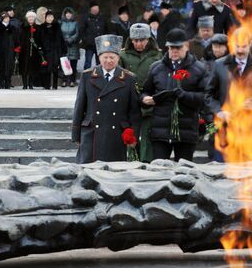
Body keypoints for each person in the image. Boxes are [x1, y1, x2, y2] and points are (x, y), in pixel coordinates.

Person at [141, 28, 208, 162]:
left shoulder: (199, 69)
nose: (174, 51)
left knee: (184, 173)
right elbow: (145, 90)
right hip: (161, 130)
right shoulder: (156, 68)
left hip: (186, 131)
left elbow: (206, 97)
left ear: (186, 46)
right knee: (159, 170)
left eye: (178, 47)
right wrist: (145, 99)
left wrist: (185, 95)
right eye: (171, 47)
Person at [71, 34, 141, 163]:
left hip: (117, 135)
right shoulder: (88, 76)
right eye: (105, 57)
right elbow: (79, 107)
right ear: (99, 57)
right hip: (91, 134)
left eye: (112, 57)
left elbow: (134, 112)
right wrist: (76, 135)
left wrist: (133, 136)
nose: (108, 61)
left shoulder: (129, 78)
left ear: (118, 58)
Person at [205, 29, 252, 162]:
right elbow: (208, 95)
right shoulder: (219, 65)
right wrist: (219, 112)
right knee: (221, 171)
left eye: (244, 46)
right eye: (237, 46)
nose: (240, 50)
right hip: (225, 128)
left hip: (249, 129)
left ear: (249, 44)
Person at [119, 23, 163, 163]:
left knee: (147, 138)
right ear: (131, 40)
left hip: (150, 103)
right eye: (135, 40)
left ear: (148, 39)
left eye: (142, 40)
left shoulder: (158, 55)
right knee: (131, 136)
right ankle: (131, 163)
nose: (138, 43)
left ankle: (147, 163)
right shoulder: (123, 55)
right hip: (130, 103)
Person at [0, 12, 19, 89]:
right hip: (0, 51)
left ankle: (8, 82)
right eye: (5, 18)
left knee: (9, 66)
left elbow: (16, 39)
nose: (7, 19)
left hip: (10, 51)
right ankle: (1, 82)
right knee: (1, 67)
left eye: (8, 18)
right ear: (2, 19)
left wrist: (17, 48)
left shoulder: (13, 28)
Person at [39, 11, 65, 90]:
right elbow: (39, 39)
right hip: (46, 51)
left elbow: (61, 39)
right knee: (47, 68)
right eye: (48, 17)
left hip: (56, 50)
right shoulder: (42, 27)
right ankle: (46, 85)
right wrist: (40, 48)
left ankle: (55, 85)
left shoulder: (57, 26)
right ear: (45, 18)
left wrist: (63, 49)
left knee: (55, 68)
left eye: (51, 17)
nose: (50, 18)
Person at [79, 1, 106, 70]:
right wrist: (85, 39)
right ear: (91, 9)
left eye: (97, 8)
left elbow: (105, 29)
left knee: (100, 63)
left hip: (100, 44)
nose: (96, 9)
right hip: (89, 44)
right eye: (94, 8)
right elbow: (81, 30)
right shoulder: (86, 17)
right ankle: (86, 78)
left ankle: (99, 78)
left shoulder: (102, 17)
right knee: (88, 62)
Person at [19, 11, 42, 90]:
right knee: (24, 67)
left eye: (32, 17)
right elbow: (20, 38)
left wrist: (38, 47)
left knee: (32, 68)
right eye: (29, 17)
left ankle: (31, 84)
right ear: (27, 18)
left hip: (34, 51)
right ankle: (25, 84)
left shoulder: (38, 28)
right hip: (24, 51)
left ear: (34, 18)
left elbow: (40, 39)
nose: (31, 18)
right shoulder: (23, 27)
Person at [60, 7, 80, 87]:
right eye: (66, 13)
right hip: (64, 46)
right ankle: (64, 80)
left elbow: (77, 33)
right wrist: (64, 40)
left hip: (73, 45)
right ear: (64, 14)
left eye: (69, 13)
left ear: (72, 14)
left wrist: (71, 39)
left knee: (73, 64)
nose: (68, 15)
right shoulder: (61, 23)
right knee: (64, 64)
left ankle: (72, 80)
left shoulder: (76, 23)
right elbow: (59, 33)